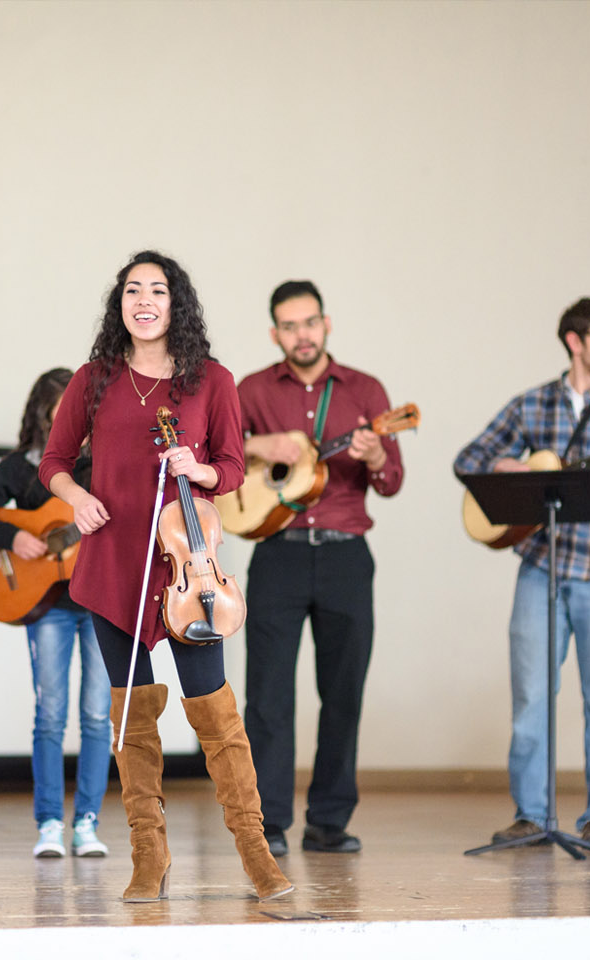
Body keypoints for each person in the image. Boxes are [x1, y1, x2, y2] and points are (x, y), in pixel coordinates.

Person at [39, 250, 291, 902]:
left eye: (157, 290)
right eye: (132, 290)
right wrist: (76, 496)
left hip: (190, 573)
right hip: (113, 566)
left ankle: (257, 854)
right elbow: (55, 460)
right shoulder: (94, 379)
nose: (143, 300)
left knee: (216, 716)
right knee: (132, 721)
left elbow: (232, 466)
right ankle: (148, 856)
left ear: (176, 303)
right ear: (119, 303)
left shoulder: (212, 380)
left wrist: (199, 470)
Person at [453, 297, 590, 853]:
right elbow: (469, 458)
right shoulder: (533, 404)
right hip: (541, 568)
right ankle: (531, 814)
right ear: (575, 341)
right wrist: (513, 467)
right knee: (531, 698)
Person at [236, 280, 405, 857]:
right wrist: (266, 446)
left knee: (343, 693)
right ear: (274, 332)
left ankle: (329, 822)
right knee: (267, 696)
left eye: (310, 323)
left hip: (344, 557)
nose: (301, 334)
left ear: (326, 324)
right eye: (289, 326)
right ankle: (270, 823)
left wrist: (378, 456)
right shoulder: (253, 389)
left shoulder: (366, 390)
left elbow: (392, 482)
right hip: (277, 552)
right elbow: (221, 458)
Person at [0, 367, 111, 859]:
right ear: (42, 416)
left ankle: (87, 823)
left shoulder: (105, 463)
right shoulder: (24, 466)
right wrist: (14, 537)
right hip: (49, 609)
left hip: (103, 603)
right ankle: (48, 824)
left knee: (97, 715)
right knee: (50, 714)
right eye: (58, 411)